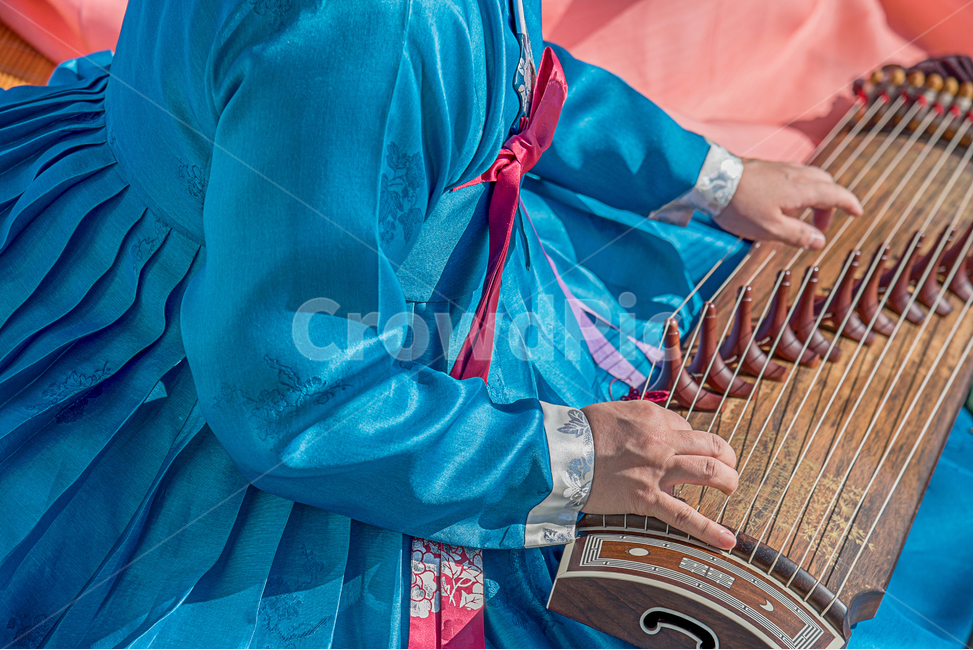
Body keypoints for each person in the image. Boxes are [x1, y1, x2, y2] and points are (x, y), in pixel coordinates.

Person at [0, 0, 864, 647]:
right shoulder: (365, 30)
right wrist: (559, 460)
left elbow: (516, 80)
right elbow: (287, 395)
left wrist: (707, 175)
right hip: (244, 344)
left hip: (292, 225)